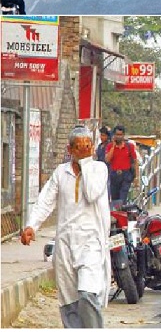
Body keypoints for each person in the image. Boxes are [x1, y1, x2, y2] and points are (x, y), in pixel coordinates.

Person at [21, 126, 111, 328]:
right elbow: (45, 201)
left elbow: (92, 193)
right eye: (78, 146)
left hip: (91, 242)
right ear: (69, 149)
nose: (83, 149)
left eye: (87, 145)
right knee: (69, 302)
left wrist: (86, 162)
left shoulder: (99, 169)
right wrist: (31, 226)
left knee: (88, 294)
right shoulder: (61, 173)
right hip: (66, 243)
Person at [104, 125, 141, 209]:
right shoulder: (110, 146)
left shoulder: (129, 146)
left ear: (123, 135)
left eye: (120, 135)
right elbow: (107, 159)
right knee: (114, 200)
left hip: (126, 175)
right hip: (114, 176)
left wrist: (136, 178)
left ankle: (122, 215)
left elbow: (135, 161)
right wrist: (113, 146)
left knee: (122, 199)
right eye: (117, 134)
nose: (118, 137)